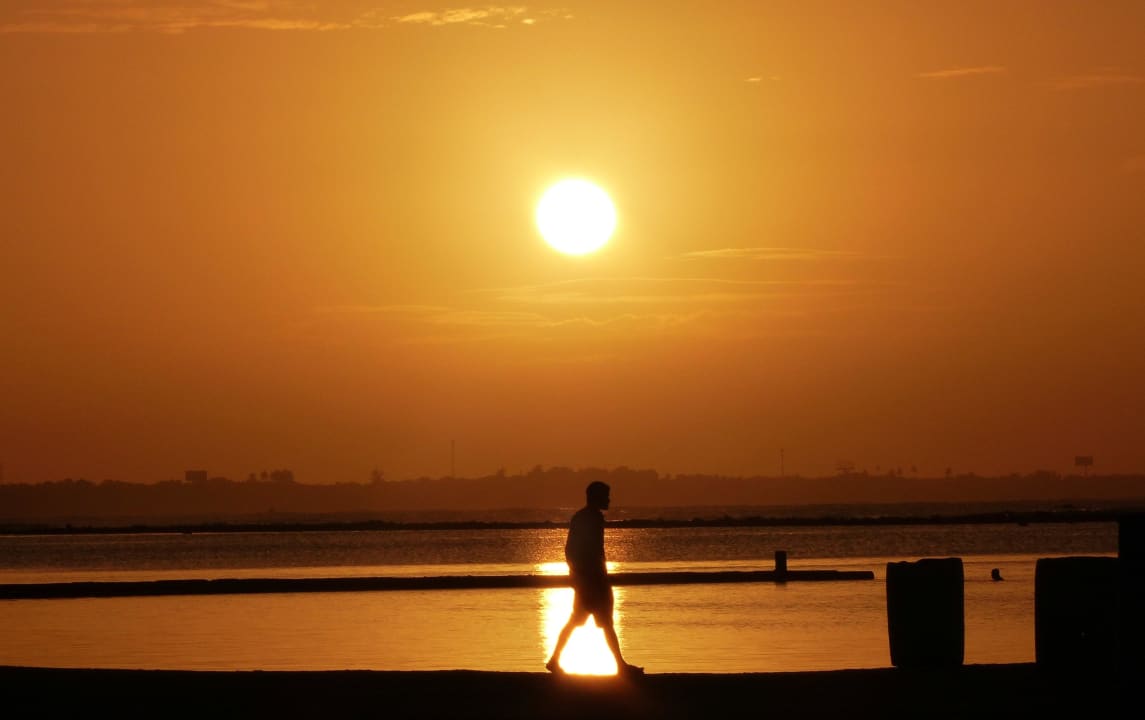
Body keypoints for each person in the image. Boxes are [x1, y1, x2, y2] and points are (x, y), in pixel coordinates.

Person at [546, 480, 643, 676]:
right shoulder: (592, 519)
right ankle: (620, 666)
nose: (609, 500)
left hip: (587, 578)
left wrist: (578, 575)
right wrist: (588, 577)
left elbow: (573, 550)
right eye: (606, 496)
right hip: (592, 579)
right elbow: (587, 551)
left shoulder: (584, 517)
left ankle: (555, 659)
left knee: (579, 621)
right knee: (603, 622)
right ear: (596, 497)